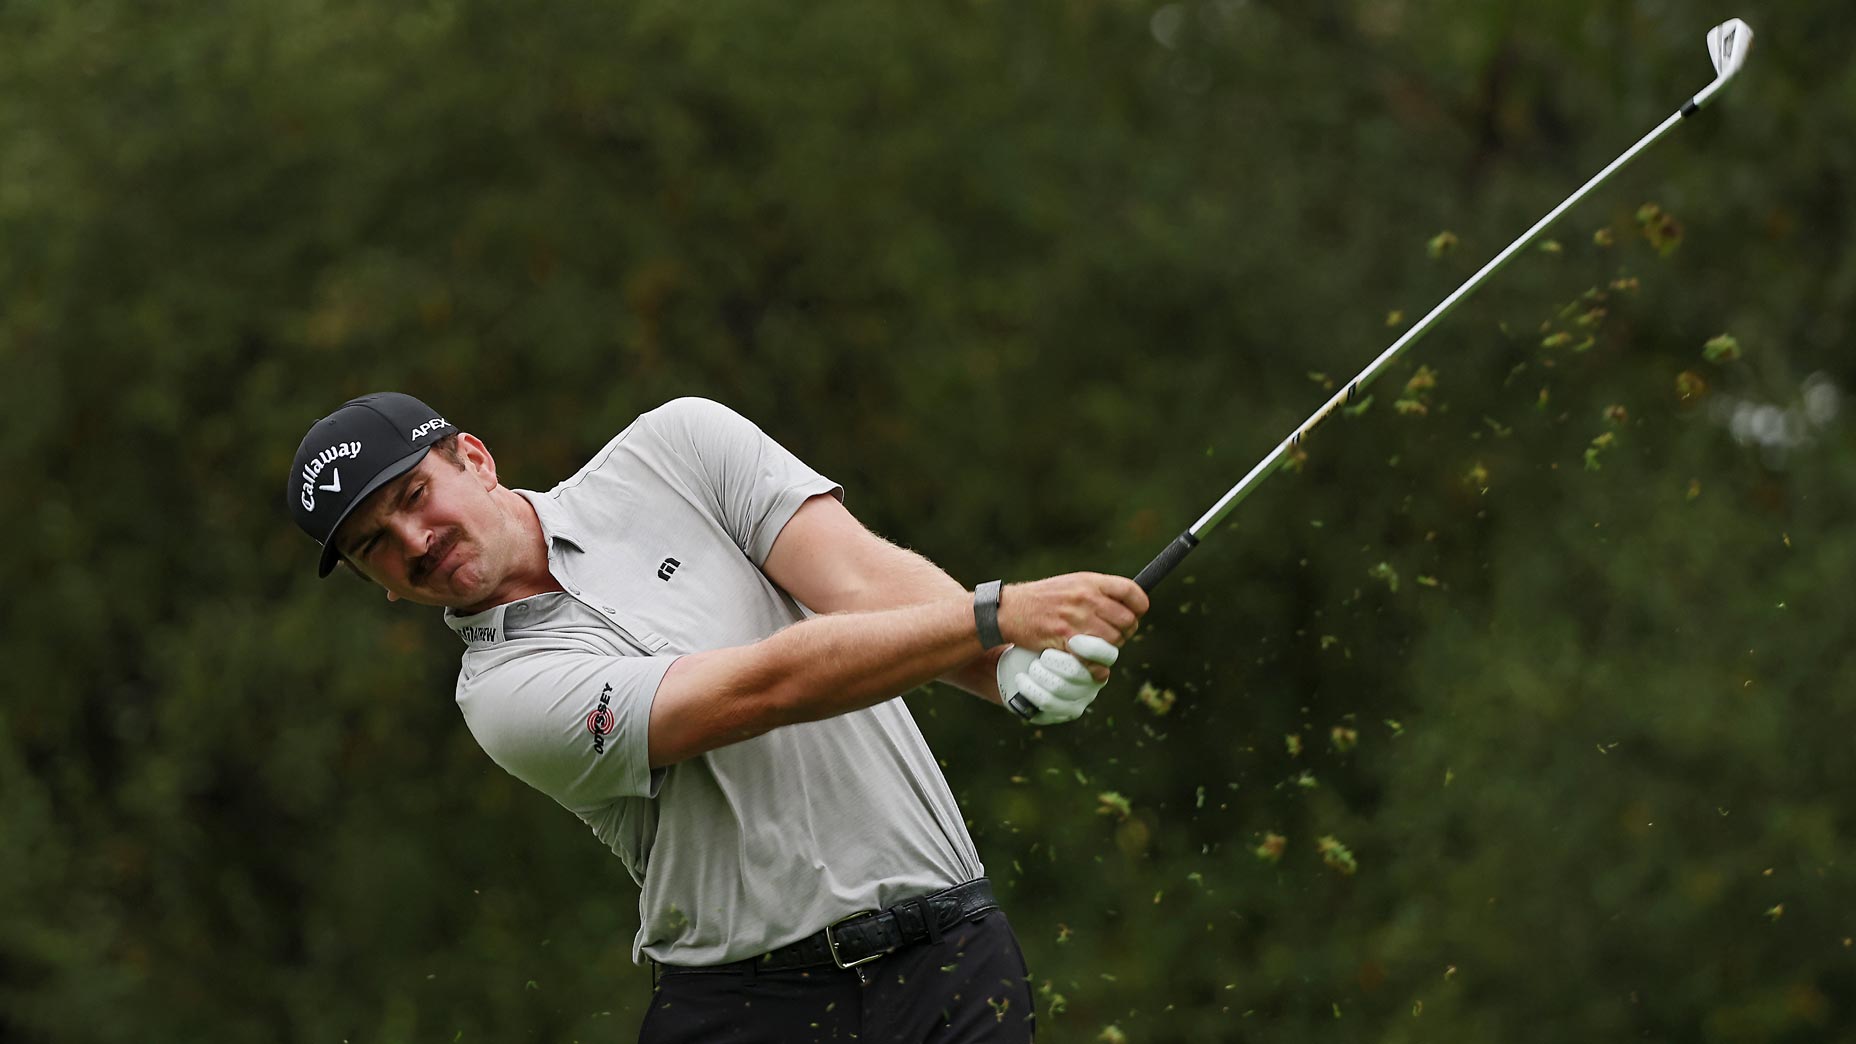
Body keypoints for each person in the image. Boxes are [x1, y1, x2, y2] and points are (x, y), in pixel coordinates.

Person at [286, 392, 1150, 1043]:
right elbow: (758, 693)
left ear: (474, 458)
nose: (414, 539)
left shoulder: (678, 448)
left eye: (411, 495)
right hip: (750, 1008)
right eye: (374, 545)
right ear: (383, 587)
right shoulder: (504, 695)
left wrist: (1001, 671)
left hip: (953, 956)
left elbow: (862, 586)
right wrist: (994, 616)